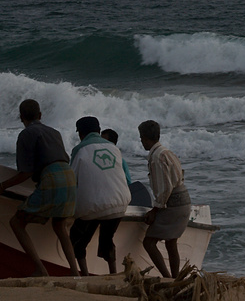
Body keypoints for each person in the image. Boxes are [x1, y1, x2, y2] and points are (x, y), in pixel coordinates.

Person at [0, 99, 80, 276]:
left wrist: (1, 186)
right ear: (40, 115)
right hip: (69, 178)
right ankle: (75, 272)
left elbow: (25, 173)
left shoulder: (26, 134)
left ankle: (40, 268)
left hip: (52, 179)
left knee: (16, 222)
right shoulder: (54, 132)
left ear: (21, 117)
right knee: (60, 226)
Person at [69, 116, 132, 275]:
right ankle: (113, 273)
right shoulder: (114, 148)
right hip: (120, 203)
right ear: (98, 131)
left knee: (77, 239)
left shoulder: (79, 150)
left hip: (93, 205)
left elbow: (71, 180)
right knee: (107, 239)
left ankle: (84, 275)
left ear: (81, 134)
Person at [138, 119, 191, 279]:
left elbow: (164, 188)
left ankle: (167, 278)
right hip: (184, 200)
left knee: (149, 242)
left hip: (172, 203)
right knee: (171, 242)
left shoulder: (156, 157)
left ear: (146, 138)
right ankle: (175, 278)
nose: (141, 141)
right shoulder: (167, 152)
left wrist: (155, 210)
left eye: (141, 138)